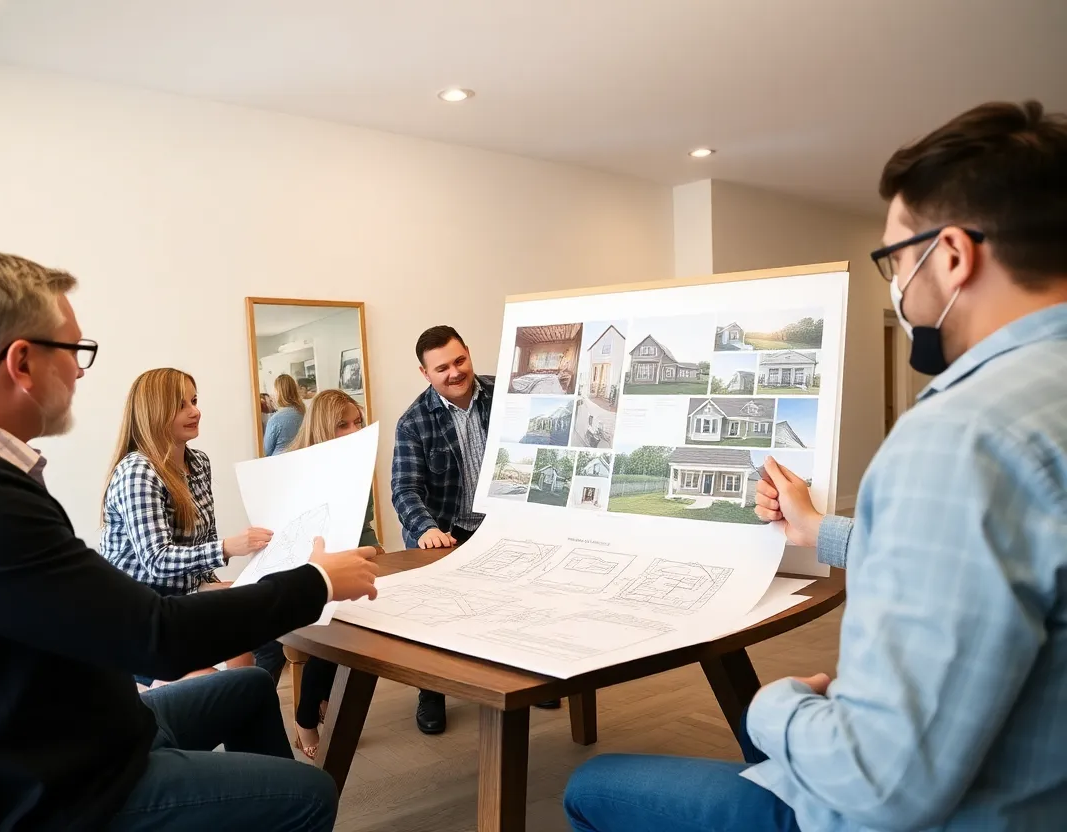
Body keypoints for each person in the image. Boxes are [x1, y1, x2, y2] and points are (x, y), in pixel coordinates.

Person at [564, 99, 1067, 831]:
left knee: (592, 787)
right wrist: (818, 530)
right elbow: (990, 559)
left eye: (897, 259)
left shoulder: (961, 437)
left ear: (953, 255)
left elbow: (882, 782)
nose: (899, 285)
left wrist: (776, 705)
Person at [0, 252, 380, 831]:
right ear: (22, 361)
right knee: (310, 794)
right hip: (65, 789)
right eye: (74, 351)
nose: (80, 373)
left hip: (83, 730)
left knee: (251, 687)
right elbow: (158, 637)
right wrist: (316, 581)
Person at [392, 325, 558, 734]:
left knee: (522, 605)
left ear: (468, 352)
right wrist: (426, 528)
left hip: (502, 524)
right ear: (425, 373)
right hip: (445, 530)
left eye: (460, 360)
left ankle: (528, 679)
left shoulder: (507, 395)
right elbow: (405, 488)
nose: (455, 372)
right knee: (432, 616)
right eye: (442, 368)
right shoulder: (413, 422)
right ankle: (431, 691)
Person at [101, 367, 270, 685]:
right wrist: (227, 548)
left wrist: (225, 587)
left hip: (179, 603)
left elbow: (203, 548)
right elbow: (157, 560)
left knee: (260, 618)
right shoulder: (138, 471)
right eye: (181, 405)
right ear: (155, 411)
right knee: (227, 682)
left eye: (194, 400)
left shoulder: (199, 463)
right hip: (137, 619)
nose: (195, 411)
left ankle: (248, 695)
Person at [282, 389, 382, 758]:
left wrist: (377, 551)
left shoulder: (359, 466)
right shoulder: (297, 471)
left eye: (358, 422)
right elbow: (292, 536)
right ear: (323, 427)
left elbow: (364, 525)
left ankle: (326, 699)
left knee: (374, 618)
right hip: (309, 570)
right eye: (343, 424)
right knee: (336, 628)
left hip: (348, 563)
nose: (354, 430)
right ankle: (305, 719)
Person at [264, 373, 306, 455]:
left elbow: (267, 451)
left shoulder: (275, 420)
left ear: (278, 393)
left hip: (280, 461)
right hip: (301, 458)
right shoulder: (304, 414)